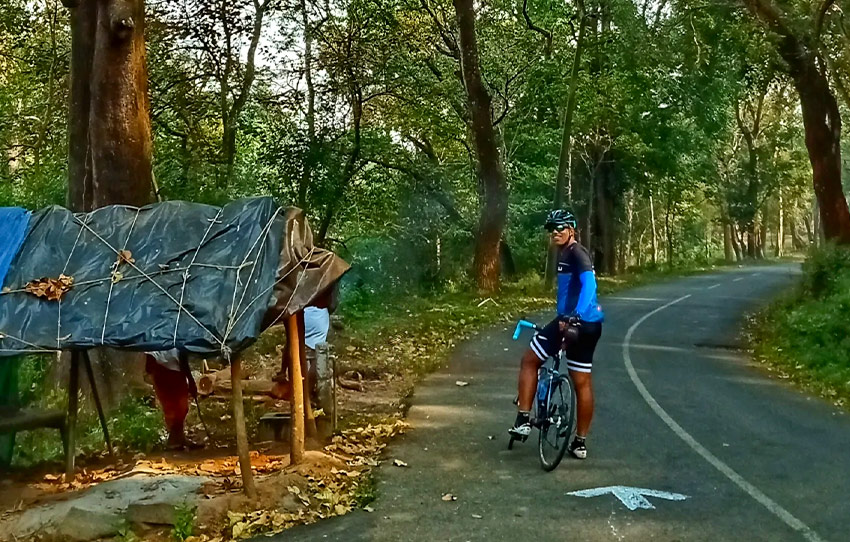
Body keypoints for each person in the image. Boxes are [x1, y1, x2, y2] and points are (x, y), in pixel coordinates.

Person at [508, 209, 604, 460]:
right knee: (582, 381)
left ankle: (523, 419)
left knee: (530, 360)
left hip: (572, 322)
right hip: (590, 325)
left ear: (572, 229)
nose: (554, 232)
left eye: (560, 227)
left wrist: (576, 315)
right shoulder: (568, 253)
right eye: (551, 228)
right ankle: (579, 443)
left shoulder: (576, 252)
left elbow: (590, 284)